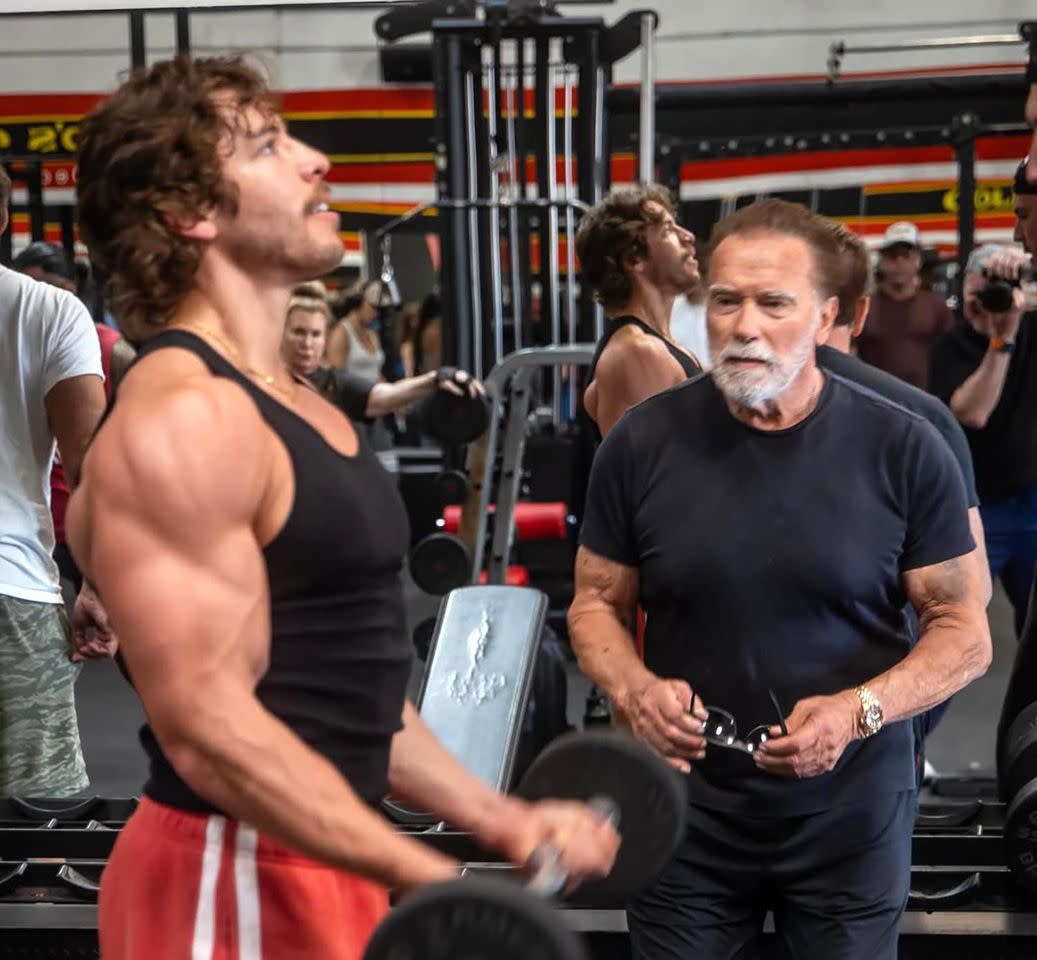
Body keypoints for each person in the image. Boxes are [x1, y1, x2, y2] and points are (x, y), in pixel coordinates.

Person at [70, 56, 616, 960]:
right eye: (269, 146)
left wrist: (502, 820)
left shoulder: (299, 404)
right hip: (228, 874)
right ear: (189, 215)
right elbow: (211, 732)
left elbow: (350, 694)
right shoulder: (181, 417)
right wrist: (433, 881)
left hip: (324, 851)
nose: (316, 159)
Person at [568, 198, 991, 960]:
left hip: (849, 817)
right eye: (725, 300)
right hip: (687, 812)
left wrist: (858, 711)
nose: (744, 325)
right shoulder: (642, 442)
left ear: (826, 313)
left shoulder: (904, 446)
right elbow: (596, 602)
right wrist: (631, 689)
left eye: (773, 303)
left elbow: (964, 633)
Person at [817, 221, 991, 773]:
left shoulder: (923, 424)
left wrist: (876, 711)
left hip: (859, 723)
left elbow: (966, 608)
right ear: (858, 314)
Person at [0, 166, 114, 798]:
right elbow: (89, 463)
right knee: (38, 843)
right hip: (10, 591)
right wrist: (99, 585)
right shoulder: (49, 311)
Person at [10, 242, 137, 596]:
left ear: (70, 288)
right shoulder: (16, 338)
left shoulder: (111, 350)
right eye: (29, 284)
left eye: (47, 284)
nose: (38, 295)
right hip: (39, 536)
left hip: (89, 528)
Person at [929, 223, 1037, 636]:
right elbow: (973, 413)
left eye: (996, 291)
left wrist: (1028, 267)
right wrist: (1001, 341)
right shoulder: (949, 346)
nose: (986, 303)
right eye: (979, 291)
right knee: (956, 628)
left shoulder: (1032, 329)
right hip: (977, 506)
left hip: (1032, 501)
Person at [576, 185, 702, 440]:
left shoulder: (668, 350)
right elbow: (654, 477)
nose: (688, 236)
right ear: (635, 260)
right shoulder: (637, 354)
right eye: (668, 230)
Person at [282, 281, 484, 421]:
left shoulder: (334, 382)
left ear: (324, 337)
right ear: (281, 333)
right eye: (299, 333)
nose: (307, 343)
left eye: (315, 334)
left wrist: (435, 378)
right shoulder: (264, 383)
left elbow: (385, 394)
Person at [854, 220, 954, 390]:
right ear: (883, 260)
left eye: (906, 255)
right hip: (874, 401)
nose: (899, 262)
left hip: (923, 403)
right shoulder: (865, 306)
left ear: (918, 260)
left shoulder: (936, 306)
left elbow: (951, 355)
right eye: (893, 256)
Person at [326, 278, 386, 380]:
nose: (376, 313)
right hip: (353, 395)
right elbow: (337, 378)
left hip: (375, 393)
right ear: (358, 302)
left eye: (378, 309)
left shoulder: (372, 333)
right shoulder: (341, 333)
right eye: (373, 307)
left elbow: (375, 371)